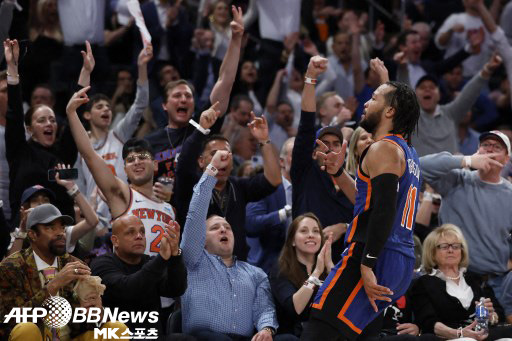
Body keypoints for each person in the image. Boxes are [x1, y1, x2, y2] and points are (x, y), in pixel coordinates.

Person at [301, 55, 421, 341]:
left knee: (319, 329)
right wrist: (339, 172)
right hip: (399, 259)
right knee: (357, 334)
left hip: (374, 254)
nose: (366, 102)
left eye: (375, 98)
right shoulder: (408, 153)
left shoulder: (383, 149)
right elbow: (367, 200)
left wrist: (367, 265)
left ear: (390, 111)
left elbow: (383, 211)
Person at [180, 150, 293, 341]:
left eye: (227, 227)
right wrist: (212, 170)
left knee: (288, 339)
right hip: (204, 338)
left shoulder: (255, 274)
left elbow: (264, 307)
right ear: (202, 238)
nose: (224, 230)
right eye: (215, 228)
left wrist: (266, 329)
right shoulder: (193, 261)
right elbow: (195, 213)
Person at [66, 88, 175, 257]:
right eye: (130, 160)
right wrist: (72, 113)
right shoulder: (122, 195)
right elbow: (89, 154)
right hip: (132, 276)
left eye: (142, 157)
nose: (137, 162)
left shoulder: (169, 208)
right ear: (125, 170)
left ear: (154, 165)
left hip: (163, 280)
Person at [420, 130, 512, 323]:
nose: (490, 150)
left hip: (499, 282)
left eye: (497, 147)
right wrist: (466, 161)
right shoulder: (457, 180)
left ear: (507, 158)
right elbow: (421, 165)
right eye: (485, 145)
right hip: (458, 279)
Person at [144, 5, 244, 182]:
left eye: (188, 96)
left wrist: (235, 39)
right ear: (164, 105)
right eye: (177, 96)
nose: (183, 99)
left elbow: (225, 81)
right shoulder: (150, 143)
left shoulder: (203, 125)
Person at [174, 106, 281, 260]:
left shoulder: (239, 186)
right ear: (201, 161)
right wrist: (201, 129)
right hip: (199, 267)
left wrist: (264, 140)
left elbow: (274, 179)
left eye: (226, 154)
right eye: (214, 154)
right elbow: (184, 164)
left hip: (236, 267)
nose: (221, 158)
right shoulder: (191, 185)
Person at [4, 39, 77, 220]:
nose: (49, 124)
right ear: (29, 128)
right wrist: (13, 69)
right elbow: (13, 114)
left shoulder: (63, 153)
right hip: (25, 234)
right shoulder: (20, 152)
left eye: (52, 120)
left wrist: (85, 75)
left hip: (62, 237)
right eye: (42, 120)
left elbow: (76, 118)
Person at [0, 204, 94, 339]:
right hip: (34, 337)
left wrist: (95, 312)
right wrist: (53, 286)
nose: (60, 233)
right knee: (26, 329)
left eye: (62, 227)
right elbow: (8, 323)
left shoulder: (75, 266)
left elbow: (84, 326)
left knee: (115, 328)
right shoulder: (10, 268)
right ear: (32, 234)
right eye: (50, 227)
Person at [410, 224, 512, 340]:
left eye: (455, 246)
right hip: (450, 337)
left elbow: (497, 315)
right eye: (444, 246)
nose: (450, 250)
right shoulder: (424, 283)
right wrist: (459, 333)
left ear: (462, 251)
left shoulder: (475, 279)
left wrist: (491, 315)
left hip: (483, 335)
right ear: (432, 253)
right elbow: (427, 322)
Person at [91, 215, 187, 335]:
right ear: (115, 241)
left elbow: (175, 289)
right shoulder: (101, 264)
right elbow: (128, 289)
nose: (139, 236)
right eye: (130, 232)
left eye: (142, 231)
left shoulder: (150, 262)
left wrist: (175, 255)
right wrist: (161, 259)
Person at [410, 53, 502, 157]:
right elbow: (404, 88)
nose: (427, 89)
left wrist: (487, 70)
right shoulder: (411, 118)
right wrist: (403, 67)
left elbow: (468, 94)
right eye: (422, 87)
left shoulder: (450, 113)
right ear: (414, 95)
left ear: (439, 95)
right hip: (421, 172)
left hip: (450, 172)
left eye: (432, 87)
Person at [7, 165, 99, 257]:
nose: (41, 204)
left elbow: (92, 221)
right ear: (25, 209)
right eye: (35, 201)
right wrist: (22, 230)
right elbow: (10, 267)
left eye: (46, 200)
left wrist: (71, 187)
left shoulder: (61, 233)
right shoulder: (17, 235)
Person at [269, 213, 333, 337]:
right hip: (292, 335)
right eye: (304, 231)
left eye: (316, 231)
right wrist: (315, 275)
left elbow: (343, 304)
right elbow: (295, 309)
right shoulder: (280, 270)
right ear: (292, 240)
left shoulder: (327, 268)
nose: (311, 235)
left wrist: (330, 266)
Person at [245, 137, 295, 273]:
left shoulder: (310, 190)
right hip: (267, 268)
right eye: (295, 154)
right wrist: (284, 213)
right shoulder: (266, 188)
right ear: (282, 162)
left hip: (300, 269)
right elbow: (251, 224)